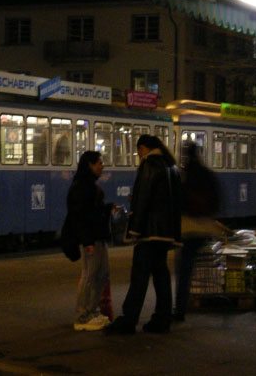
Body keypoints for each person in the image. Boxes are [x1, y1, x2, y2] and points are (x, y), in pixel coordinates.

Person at [106, 135, 182, 335]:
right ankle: (162, 317)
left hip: (149, 232)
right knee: (161, 275)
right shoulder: (170, 165)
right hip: (164, 233)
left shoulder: (149, 164)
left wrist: (135, 230)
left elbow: (144, 199)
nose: (139, 155)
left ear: (143, 148)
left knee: (139, 276)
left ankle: (129, 319)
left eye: (138, 151)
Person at [67, 150, 115, 331]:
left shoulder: (90, 185)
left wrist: (108, 208)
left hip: (99, 236)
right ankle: (82, 316)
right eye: (98, 163)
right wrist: (87, 241)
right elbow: (81, 216)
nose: (102, 166)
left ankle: (92, 311)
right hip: (92, 238)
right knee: (89, 275)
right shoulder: (82, 187)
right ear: (89, 165)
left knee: (102, 274)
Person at [173, 141, 222, 322]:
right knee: (205, 264)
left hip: (188, 228)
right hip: (205, 228)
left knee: (184, 270)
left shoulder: (185, 175)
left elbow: (179, 202)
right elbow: (218, 201)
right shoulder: (207, 174)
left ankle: (180, 309)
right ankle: (213, 298)